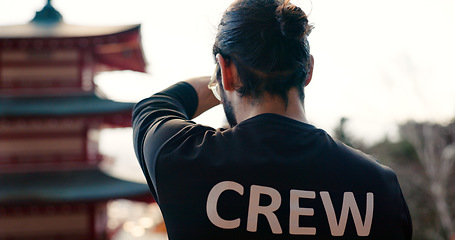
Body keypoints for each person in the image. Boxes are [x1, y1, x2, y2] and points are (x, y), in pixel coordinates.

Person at [132, 0, 413, 239]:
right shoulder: (378, 186)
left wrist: (226, 78)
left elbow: (155, 105)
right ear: (308, 70)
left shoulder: (179, 157)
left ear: (225, 72)